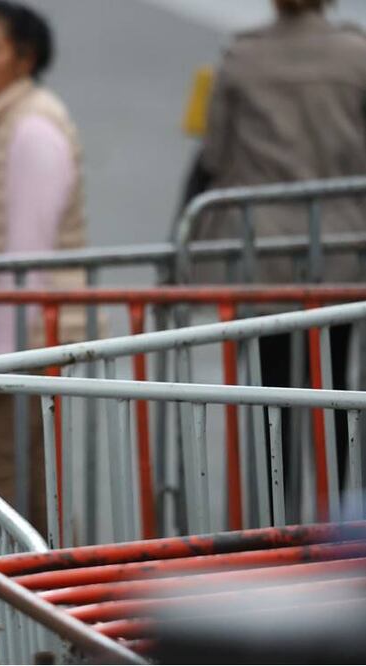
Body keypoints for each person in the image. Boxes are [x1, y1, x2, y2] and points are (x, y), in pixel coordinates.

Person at [190, 0, 366, 507]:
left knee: (273, 395)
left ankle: (280, 522)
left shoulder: (243, 57)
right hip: (342, 243)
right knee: (339, 388)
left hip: (264, 246)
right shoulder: (356, 54)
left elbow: (215, 154)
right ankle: (343, 520)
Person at [0, 1, 87, 529]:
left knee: (7, 495)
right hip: (7, 344)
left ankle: (23, 587)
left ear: (24, 59)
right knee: (17, 492)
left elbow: (27, 260)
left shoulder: (31, 129)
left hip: (19, 350)